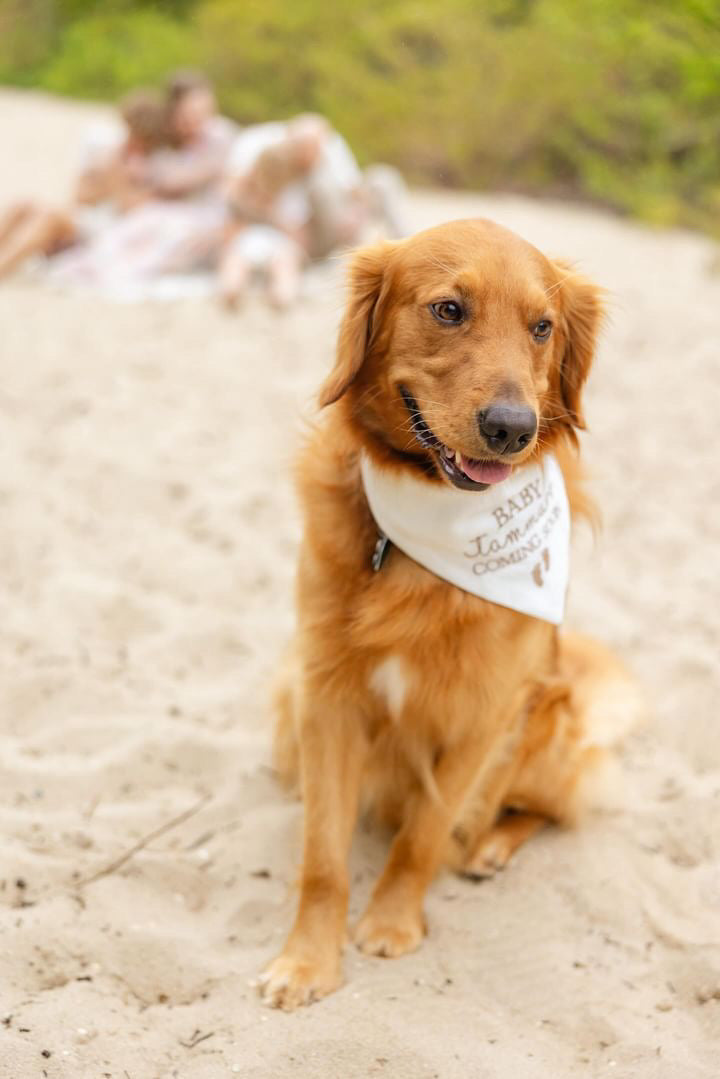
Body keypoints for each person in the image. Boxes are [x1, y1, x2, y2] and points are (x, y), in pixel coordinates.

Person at [0, 89, 170, 280]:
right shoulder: (113, 153)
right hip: (84, 217)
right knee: (22, 204)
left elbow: (131, 209)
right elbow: (80, 195)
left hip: (106, 231)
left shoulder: (151, 166)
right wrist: (104, 178)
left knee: (49, 217)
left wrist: (116, 177)